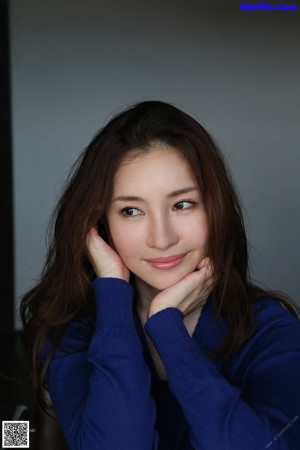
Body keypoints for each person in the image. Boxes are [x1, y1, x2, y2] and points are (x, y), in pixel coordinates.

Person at [20, 101, 300, 450]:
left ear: (216, 208)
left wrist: (169, 330)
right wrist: (112, 293)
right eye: (132, 210)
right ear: (99, 225)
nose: (162, 238)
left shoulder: (271, 331)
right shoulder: (70, 329)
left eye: (182, 204)